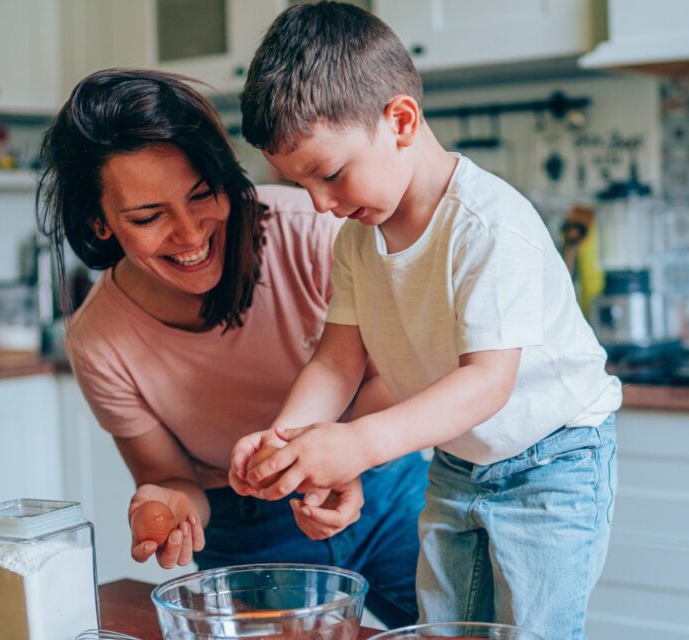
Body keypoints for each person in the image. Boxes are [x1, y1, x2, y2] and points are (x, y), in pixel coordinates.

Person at [228, 3, 622, 639]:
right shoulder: (359, 240)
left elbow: (487, 383)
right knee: (443, 629)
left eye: (329, 175)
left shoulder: (489, 226)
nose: (323, 206)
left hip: (554, 462)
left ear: (401, 120)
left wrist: (356, 444)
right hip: (457, 462)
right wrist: (291, 443)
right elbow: (337, 359)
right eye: (302, 188)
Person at [36, 68, 428, 628]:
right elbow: (174, 479)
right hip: (247, 539)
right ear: (99, 223)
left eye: (202, 195)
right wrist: (170, 505)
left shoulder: (313, 232)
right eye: (148, 217)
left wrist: (341, 454)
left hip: (387, 490)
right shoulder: (99, 341)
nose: (191, 234)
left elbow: (401, 371)